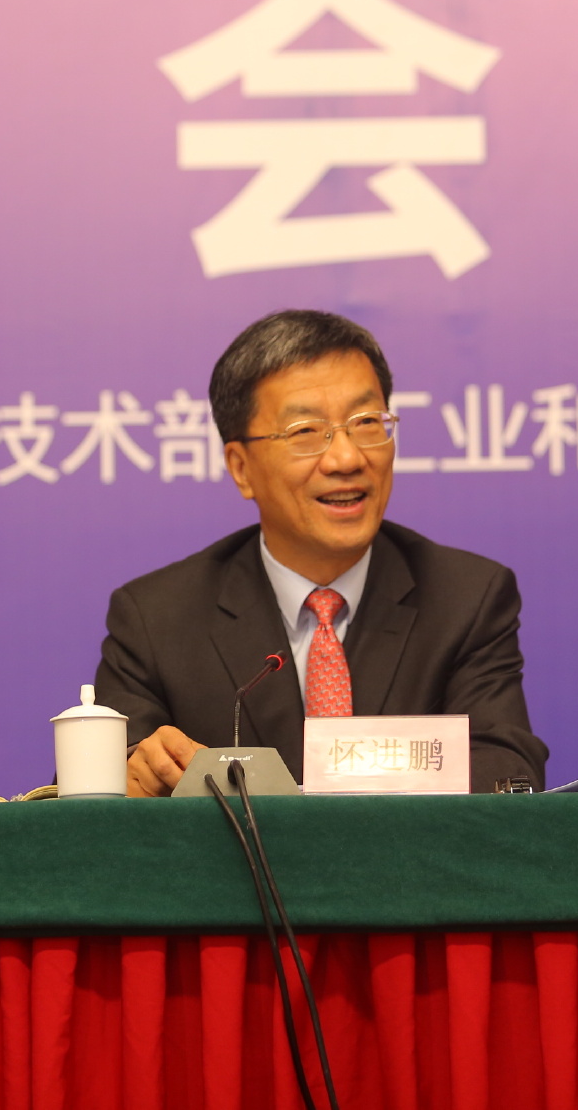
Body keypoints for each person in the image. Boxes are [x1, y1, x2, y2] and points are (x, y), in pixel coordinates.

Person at [96, 310, 548, 796]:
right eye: (305, 432)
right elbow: (90, 792)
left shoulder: (465, 598)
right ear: (241, 467)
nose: (347, 458)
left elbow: (507, 772)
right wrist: (131, 781)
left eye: (367, 422)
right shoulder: (156, 619)